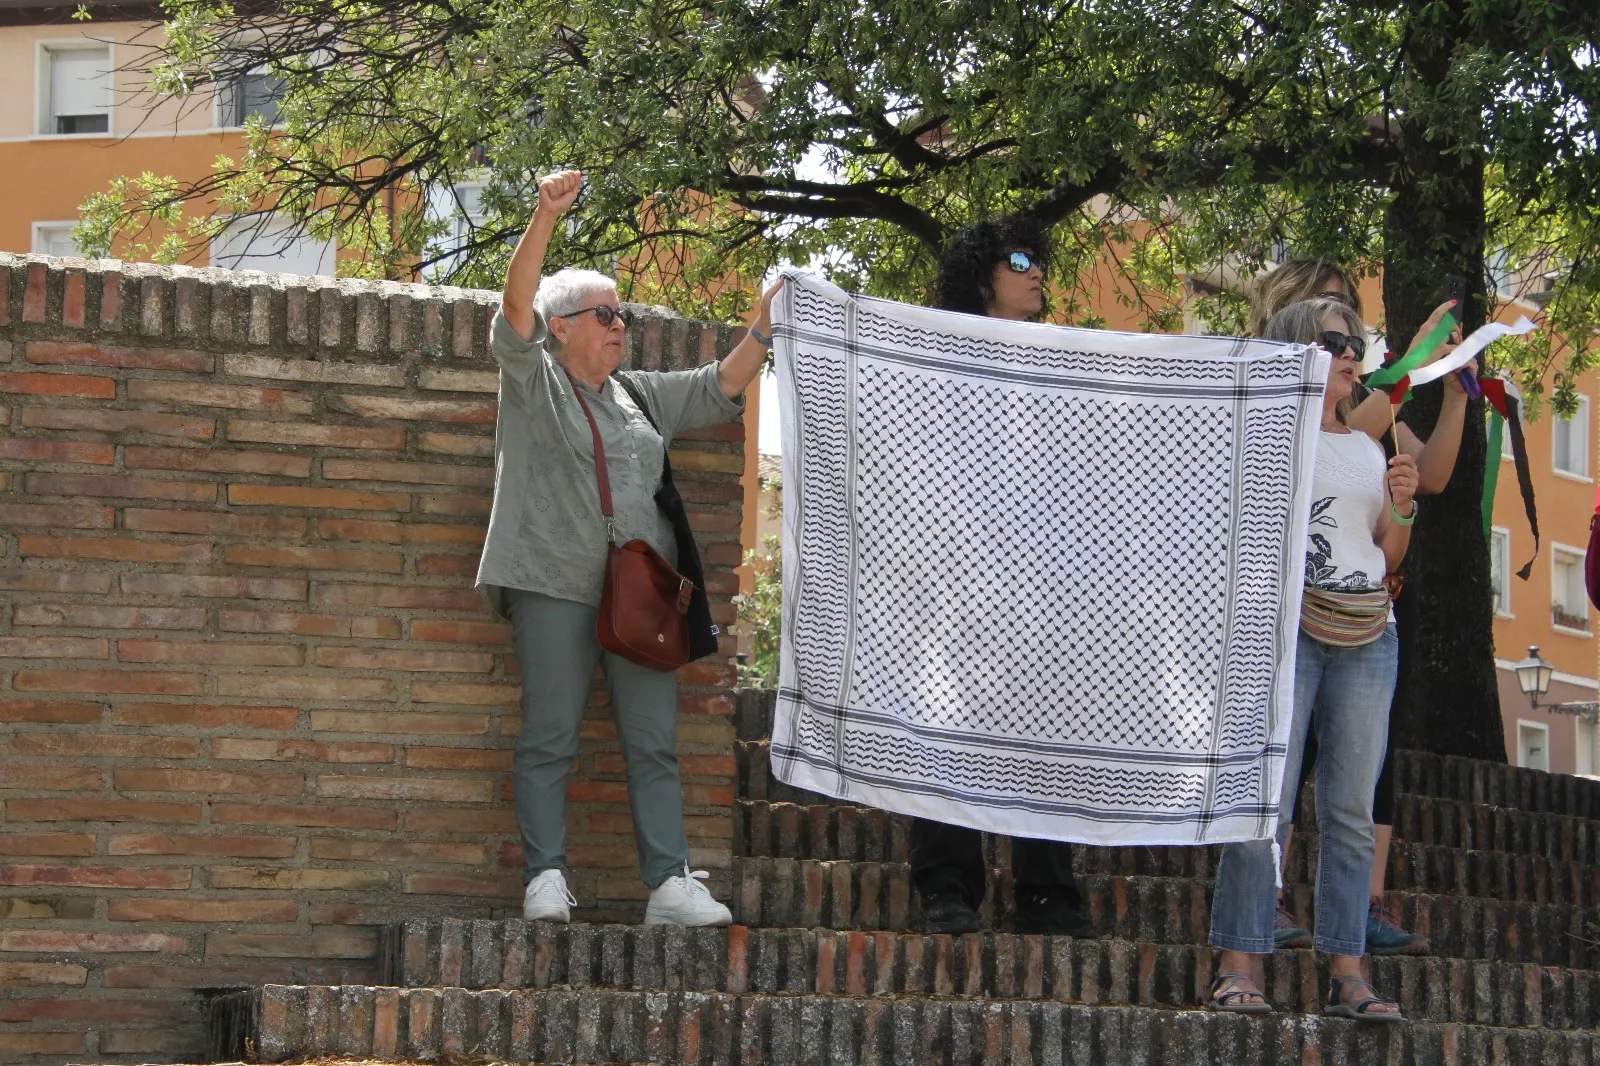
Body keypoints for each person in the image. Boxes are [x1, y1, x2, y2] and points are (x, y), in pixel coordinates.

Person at [479, 169, 782, 926]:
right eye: (605, 314)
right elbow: (514, 307)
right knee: (549, 736)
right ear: (560, 327)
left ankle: (670, 885)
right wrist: (545, 216)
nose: (620, 325)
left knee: (653, 742)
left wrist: (764, 327)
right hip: (550, 582)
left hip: (640, 595)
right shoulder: (533, 380)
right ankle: (545, 878)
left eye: (624, 314)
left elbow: (719, 386)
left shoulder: (640, 393)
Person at [1246, 258, 1466, 957]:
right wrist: (1411, 364)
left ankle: (1357, 920)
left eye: (1350, 325)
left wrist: (1455, 392)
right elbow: (1337, 426)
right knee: (1278, 775)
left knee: (1360, 784)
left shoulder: (1370, 401)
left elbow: (1426, 474)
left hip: (1367, 613)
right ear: (1289, 316)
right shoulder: (1263, 396)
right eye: (1327, 317)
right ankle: (1261, 907)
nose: (1345, 340)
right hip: (1292, 617)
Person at [1206, 297, 1417, 1022]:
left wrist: (1404, 508)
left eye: (1355, 342)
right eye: (1334, 341)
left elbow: (1387, 553)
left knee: (1352, 811)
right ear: (1299, 349)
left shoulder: (1367, 448)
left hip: (1370, 634)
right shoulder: (1267, 437)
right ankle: (1238, 963)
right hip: (1289, 630)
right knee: (1264, 796)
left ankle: (1348, 973)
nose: (1352, 353)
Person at [910, 215, 1096, 938]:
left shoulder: (1062, 361)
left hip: (1043, 592)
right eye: (1019, 259)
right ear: (979, 275)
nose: (1036, 270)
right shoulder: (936, 359)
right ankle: (946, 886)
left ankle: (1046, 890)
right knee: (946, 732)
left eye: (1038, 258)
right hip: (955, 588)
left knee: (1044, 732)